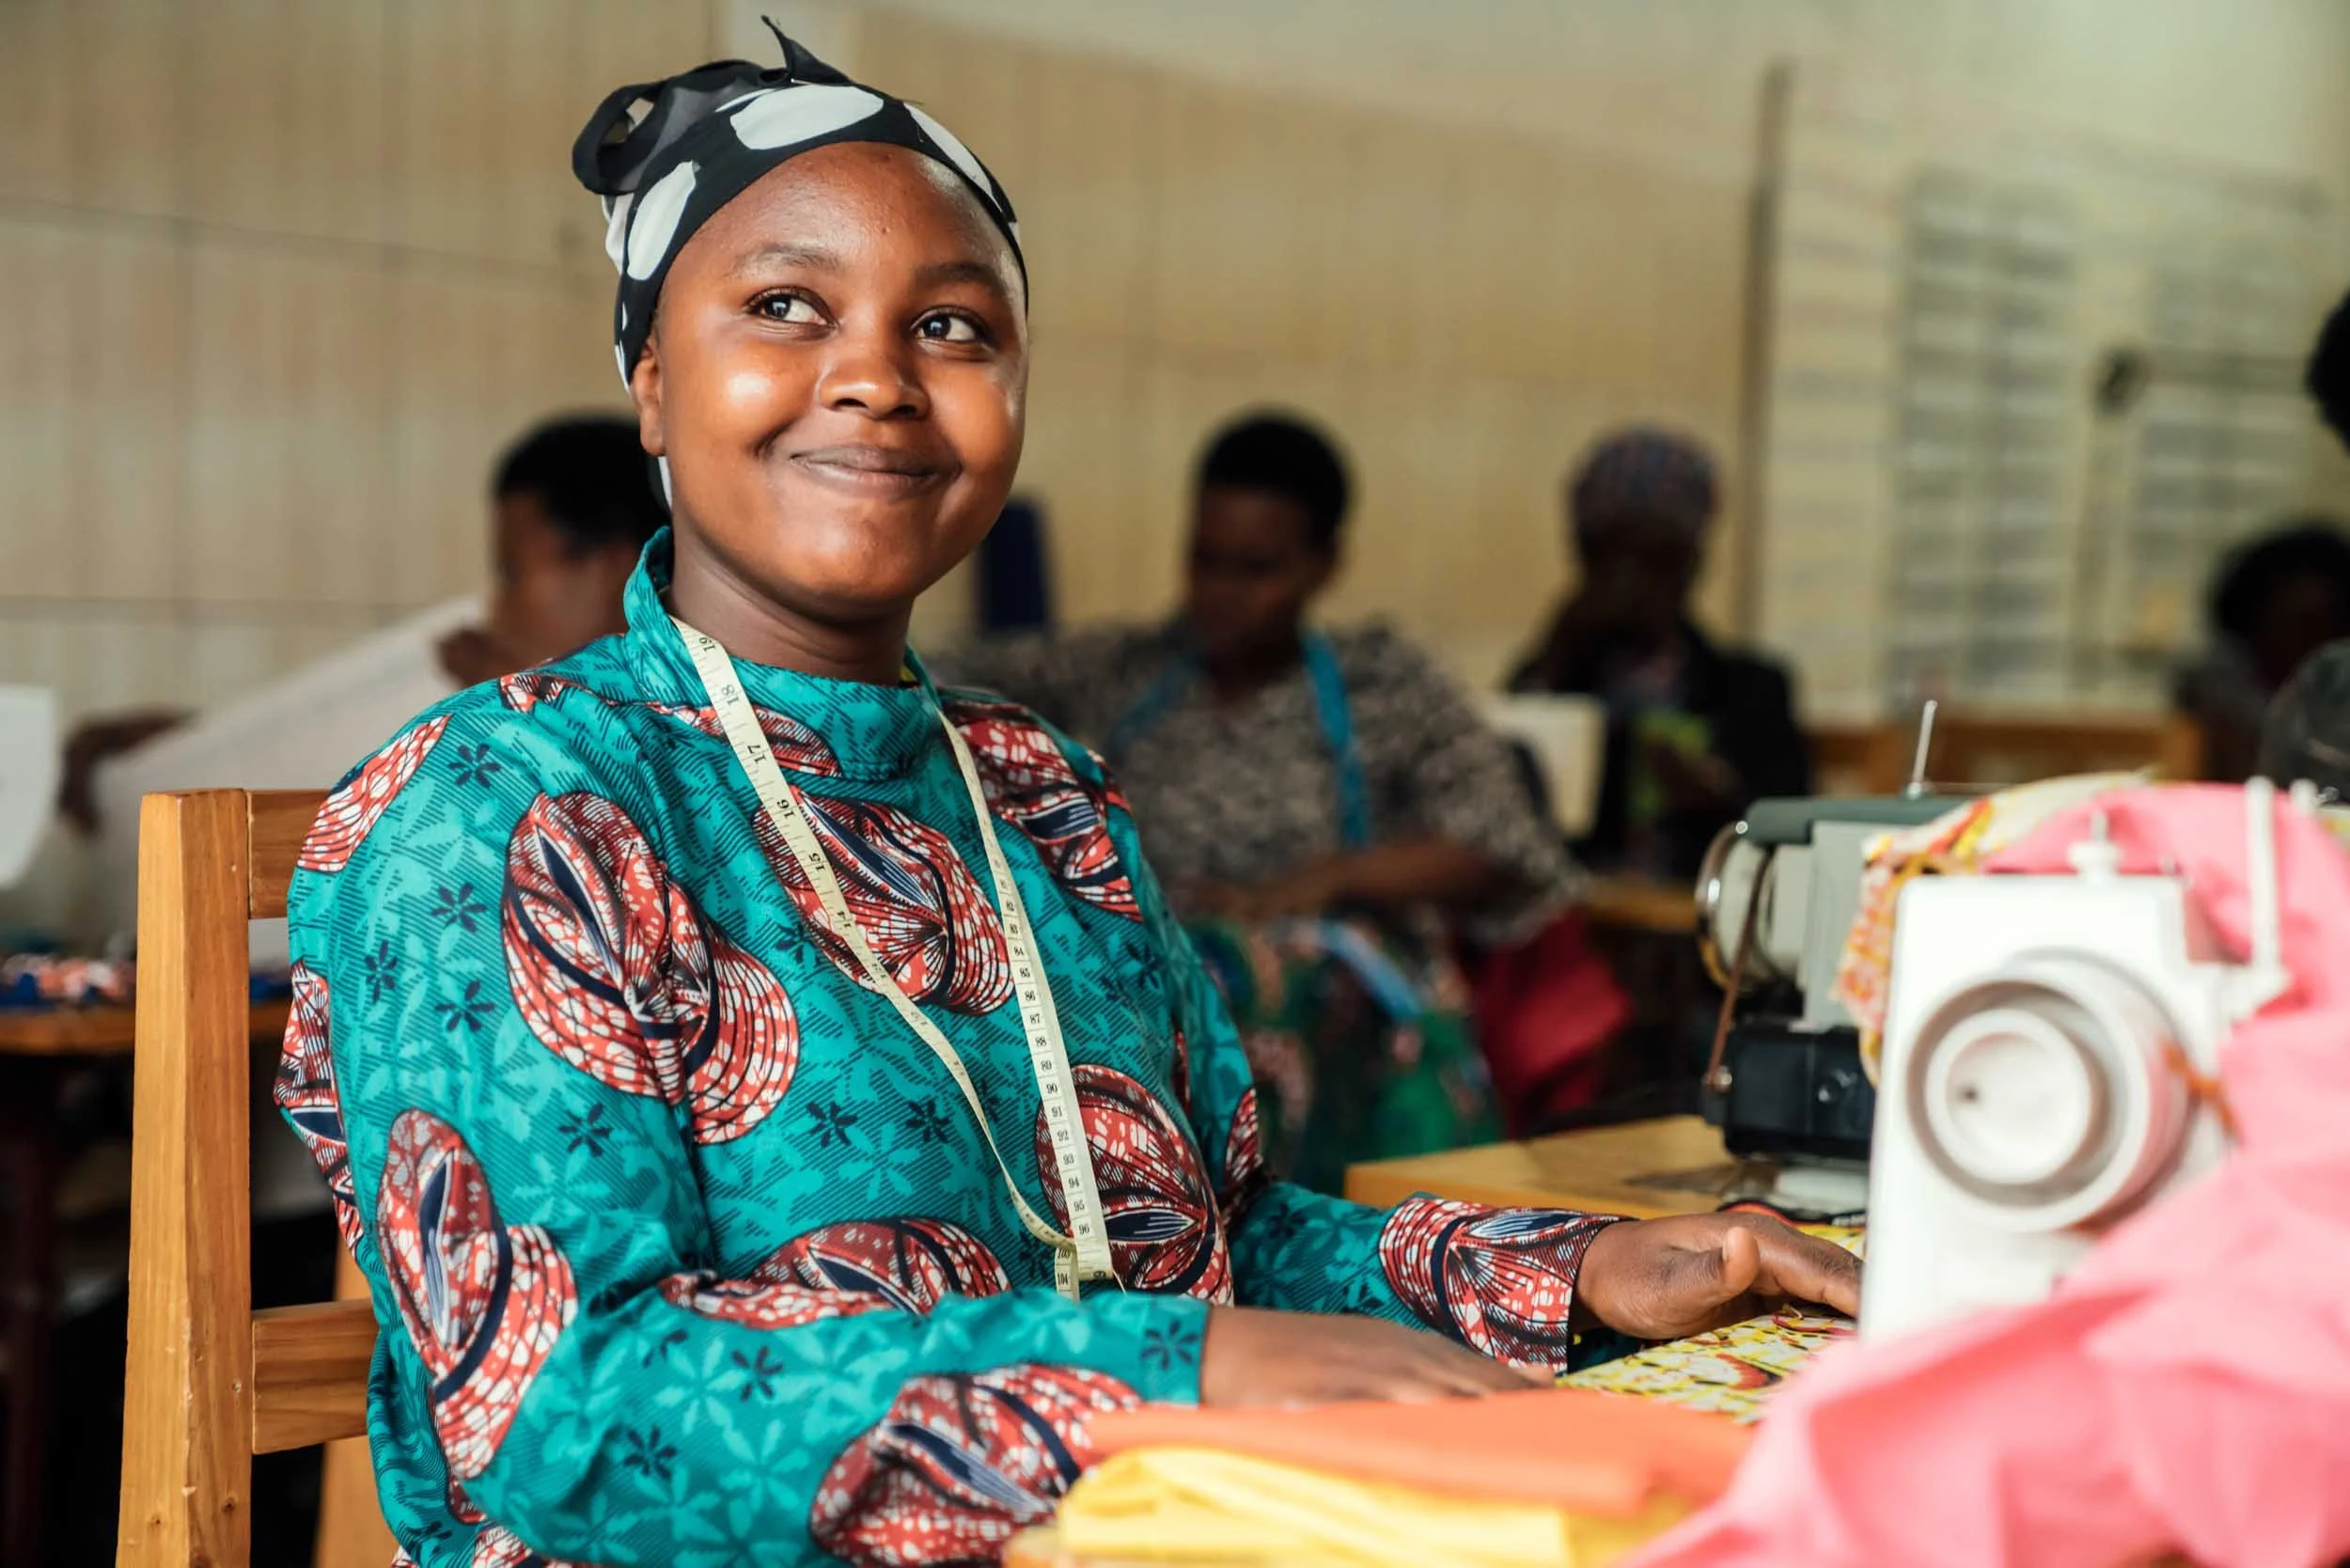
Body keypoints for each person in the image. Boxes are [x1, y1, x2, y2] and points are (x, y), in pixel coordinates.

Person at [276, 39, 1857, 1568]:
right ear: (650, 384)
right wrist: (1177, 1377)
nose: (879, 380)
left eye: (954, 330)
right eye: (784, 307)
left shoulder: (1036, 790)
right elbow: (568, 1412)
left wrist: (1573, 1266)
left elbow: (1218, 1244)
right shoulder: (506, 803)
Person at [939, 411, 1581, 1188]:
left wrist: (1326, 883)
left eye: (1257, 569)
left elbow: (1504, 847)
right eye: (1204, 562)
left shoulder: (1382, 687)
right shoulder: (1122, 671)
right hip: (1159, 998)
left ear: (1325, 565)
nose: (1220, 595)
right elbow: (928, 680)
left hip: (1340, 1039)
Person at [1510, 428, 1810, 881]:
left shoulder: (1750, 689)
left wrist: (1721, 799)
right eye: (1616, 557)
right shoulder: (1559, 676)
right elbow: (1496, 803)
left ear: (1692, 563)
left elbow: (1795, 838)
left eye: (1657, 559)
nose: (1636, 582)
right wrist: (1557, 654)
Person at [2172, 519, 2350, 783]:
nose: (2313, 640)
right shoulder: (2218, 692)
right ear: (2253, 621)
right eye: (2298, 622)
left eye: (2329, 621)